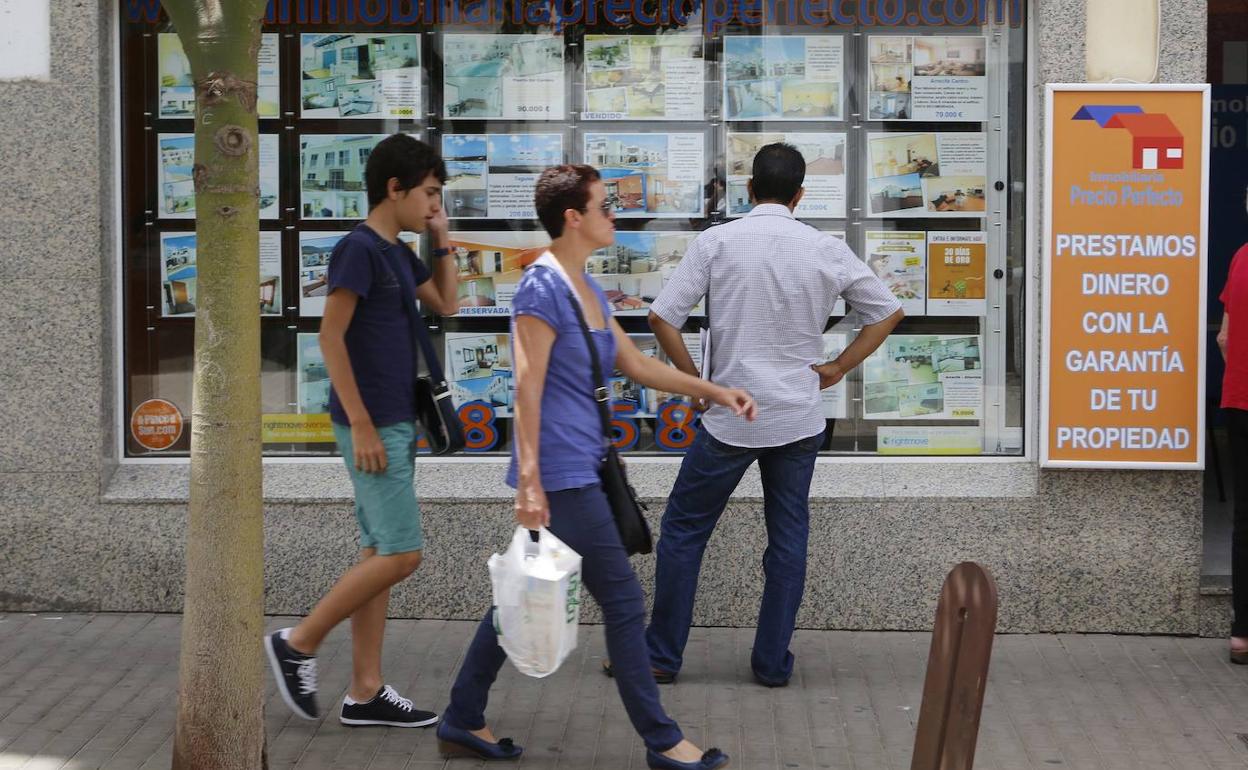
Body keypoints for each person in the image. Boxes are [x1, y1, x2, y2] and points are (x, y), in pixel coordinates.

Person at [435, 164, 755, 770]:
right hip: (559, 475)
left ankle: (461, 716)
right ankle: (664, 742)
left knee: (521, 594)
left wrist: (713, 391)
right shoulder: (541, 290)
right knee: (625, 603)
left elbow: (636, 365)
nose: (616, 216)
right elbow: (525, 391)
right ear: (573, 218)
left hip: (584, 465)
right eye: (605, 208)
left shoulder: (585, 288)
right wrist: (528, 483)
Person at [642, 143, 904, 687]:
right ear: (800, 195)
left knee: (684, 532)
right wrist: (837, 368)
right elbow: (887, 312)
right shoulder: (824, 248)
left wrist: (697, 385)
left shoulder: (717, 241)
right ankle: (770, 663)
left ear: (749, 189)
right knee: (787, 538)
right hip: (797, 417)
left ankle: (661, 656)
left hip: (730, 418)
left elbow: (663, 317)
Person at [265, 134, 459, 727]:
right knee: (404, 554)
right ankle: (298, 642)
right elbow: (330, 338)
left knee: (379, 552)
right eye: (428, 193)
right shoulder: (359, 250)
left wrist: (442, 238)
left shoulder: (398, 253)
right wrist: (366, 427)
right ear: (393, 189)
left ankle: (365, 690)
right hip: (372, 425)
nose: (433, 204)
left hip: (397, 419)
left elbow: (448, 304)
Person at [1218, 191, 1248, 663]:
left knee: (1245, 518)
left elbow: (1224, 336)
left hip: (1240, 403)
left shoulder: (1242, 256)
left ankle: (1242, 634)